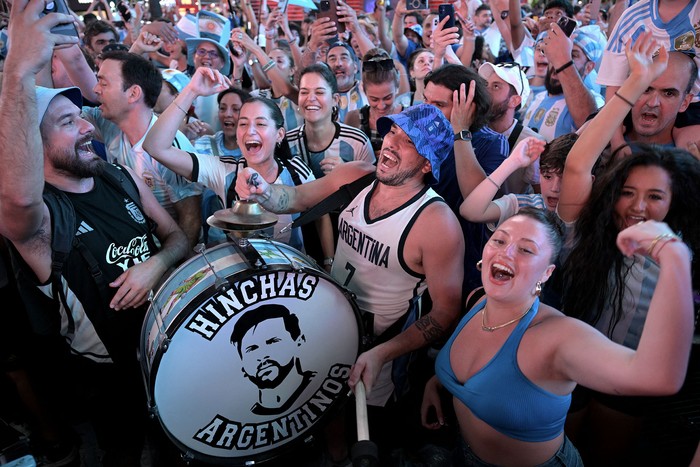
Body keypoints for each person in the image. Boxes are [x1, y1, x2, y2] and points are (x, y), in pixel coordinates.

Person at [0, 0, 188, 462]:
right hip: (106, 378)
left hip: (168, 353)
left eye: (80, 115)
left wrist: (155, 266)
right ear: (36, 146)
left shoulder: (114, 175)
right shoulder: (42, 219)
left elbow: (180, 238)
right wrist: (18, 72)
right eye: (68, 122)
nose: (88, 125)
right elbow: (19, 198)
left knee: (176, 447)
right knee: (121, 452)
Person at [235, 104, 464, 458]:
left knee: (369, 434)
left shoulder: (437, 224)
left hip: (380, 351)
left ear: (427, 164)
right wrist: (262, 190)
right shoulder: (357, 174)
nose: (391, 143)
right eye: (392, 132)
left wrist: (383, 353)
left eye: (408, 142)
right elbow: (292, 198)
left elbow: (446, 313)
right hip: (326, 324)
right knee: (322, 411)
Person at [421, 208, 694, 466]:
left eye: (526, 249)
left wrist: (674, 256)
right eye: (499, 240)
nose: (506, 253)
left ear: (546, 273)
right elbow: (474, 370)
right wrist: (441, 382)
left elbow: (658, 376)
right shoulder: (478, 299)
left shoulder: (557, 337)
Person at [558, 32, 700, 464]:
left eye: (655, 196)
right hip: (569, 367)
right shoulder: (591, 218)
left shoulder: (684, 235)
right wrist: (634, 83)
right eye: (628, 191)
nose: (639, 205)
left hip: (633, 381)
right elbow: (579, 164)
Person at [143, 67, 333, 256]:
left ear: (279, 135)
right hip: (240, 277)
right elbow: (155, 146)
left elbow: (321, 212)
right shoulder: (223, 170)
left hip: (290, 278)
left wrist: (328, 261)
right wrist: (191, 91)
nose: (249, 131)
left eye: (260, 124)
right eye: (243, 123)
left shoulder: (297, 172)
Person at [82, 49, 203, 248]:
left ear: (133, 94)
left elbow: (190, 221)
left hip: (163, 251)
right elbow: (58, 115)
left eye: (103, 83)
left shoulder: (171, 148)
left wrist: (169, 271)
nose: (95, 89)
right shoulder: (110, 125)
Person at [286, 64, 374, 180]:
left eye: (319, 92)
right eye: (304, 92)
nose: (310, 98)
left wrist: (349, 173)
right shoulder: (286, 143)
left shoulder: (357, 142)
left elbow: (373, 188)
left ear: (335, 100)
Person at [521, 24, 605, 141]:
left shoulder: (596, 101)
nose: (558, 58)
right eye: (556, 52)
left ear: (589, 67)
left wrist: (564, 61)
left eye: (572, 55)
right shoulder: (537, 97)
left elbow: (591, 128)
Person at [230, 304, 316, 415]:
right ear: (242, 365)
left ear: (299, 342)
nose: (262, 356)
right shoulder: (242, 416)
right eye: (251, 349)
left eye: (272, 342)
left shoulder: (325, 385)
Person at [478, 62, 545, 194]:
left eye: (496, 86)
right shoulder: (473, 130)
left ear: (514, 101)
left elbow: (541, 197)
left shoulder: (531, 142)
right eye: (486, 85)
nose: (486, 92)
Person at [345, 49, 405, 157]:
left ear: (397, 87)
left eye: (388, 98)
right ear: (363, 89)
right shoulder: (353, 118)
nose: (381, 106)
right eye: (374, 99)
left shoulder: (409, 118)